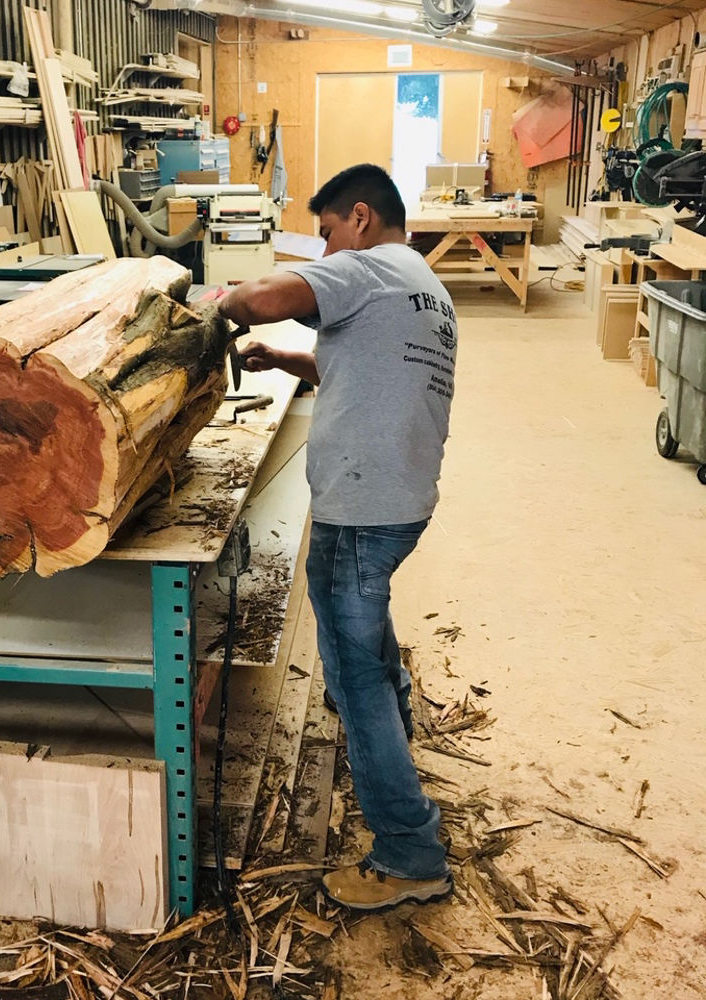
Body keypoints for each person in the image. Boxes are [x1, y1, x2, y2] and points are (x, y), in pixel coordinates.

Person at [218, 163, 456, 911]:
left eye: (324, 235)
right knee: (369, 641)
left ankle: (410, 854)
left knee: (352, 679)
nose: (325, 254)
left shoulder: (366, 265)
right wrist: (291, 361)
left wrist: (211, 302)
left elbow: (261, 298)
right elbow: (370, 371)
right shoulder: (423, 284)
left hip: (359, 511)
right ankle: (397, 720)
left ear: (359, 217)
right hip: (402, 502)